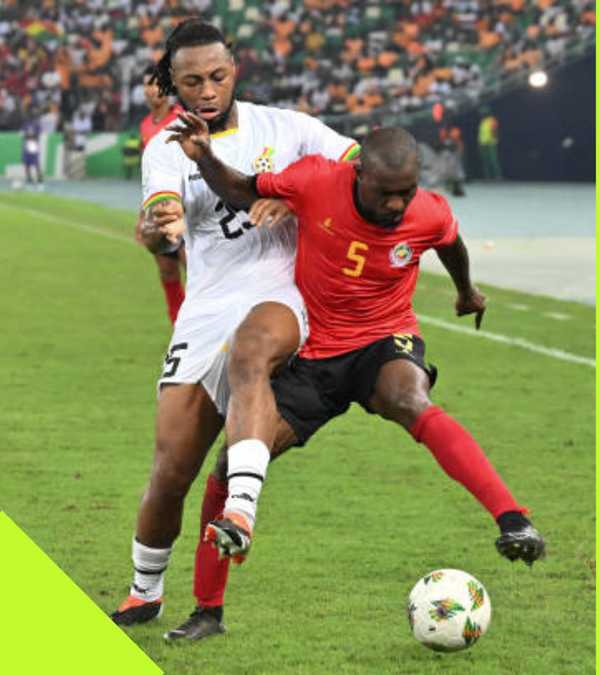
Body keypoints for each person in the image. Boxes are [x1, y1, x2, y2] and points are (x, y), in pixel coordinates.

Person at [160, 122, 547, 636]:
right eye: (385, 193)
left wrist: (466, 291)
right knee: (233, 461)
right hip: (316, 354)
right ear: (357, 172)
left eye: (405, 193)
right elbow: (238, 188)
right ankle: (208, 610)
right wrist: (204, 155)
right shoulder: (315, 180)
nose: (395, 205)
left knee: (409, 397)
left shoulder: (427, 210)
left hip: (383, 341)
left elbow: (450, 243)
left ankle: (512, 518)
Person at [109, 19, 366, 635]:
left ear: (235, 71)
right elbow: (162, 212)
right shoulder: (164, 148)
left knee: (252, 354)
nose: (206, 89)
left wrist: (301, 192)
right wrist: (160, 230)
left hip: (281, 291)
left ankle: (242, 509)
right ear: (172, 81)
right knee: (170, 471)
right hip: (206, 307)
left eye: (217, 76)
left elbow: (359, 165)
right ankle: (145, 592)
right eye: (192, 79)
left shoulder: (289, 128)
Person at [134, 64, 187, 325]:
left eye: (157, 83)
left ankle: (207, 327)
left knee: (197, 271)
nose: (152, 89)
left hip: (184, 209)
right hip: (157, 211)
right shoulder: (145, 126)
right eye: (148, 83)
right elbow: (148, 176)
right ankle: (178, 325)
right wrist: (141, 215)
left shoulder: (182, 120)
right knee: (167, 271)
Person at [478, 109, 502, 179]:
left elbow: (495, 131)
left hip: (491, 143)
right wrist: (480, 143)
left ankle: (498, 175)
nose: (482, 115)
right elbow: (481, 133)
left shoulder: (492, 120)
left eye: (483, 113)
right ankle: (487, 176)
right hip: (483, 143)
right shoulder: (482, 121)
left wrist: (494, 138)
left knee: (493, 159)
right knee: (485, 160)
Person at [21, 118, 42, 185]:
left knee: (34, 160)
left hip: (32, 142)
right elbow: (23, 134)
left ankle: (38, 176)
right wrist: (28, 136)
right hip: (29, 142)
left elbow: (38, 134)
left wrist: (32, 136)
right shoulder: (26, 123)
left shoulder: (35, 124)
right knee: (28, 161)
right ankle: (30, 176)